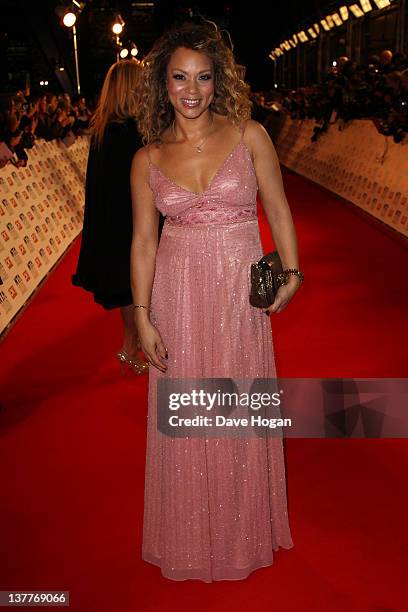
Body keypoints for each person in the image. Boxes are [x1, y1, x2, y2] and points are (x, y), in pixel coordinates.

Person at [130, 22, 302, 581]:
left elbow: (277, 206)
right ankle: (192, 534)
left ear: (218, 81)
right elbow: (143, 242)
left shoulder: (250, 134)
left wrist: (292, 270)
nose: (192, 89)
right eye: (180, 77)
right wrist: (142, 314)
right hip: (177, 295)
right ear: (163, 84)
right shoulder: (147, 157)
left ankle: (243, 528)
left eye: (203, 77)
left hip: (237, 294)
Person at [72, 60, 158, 373]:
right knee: (142, 286)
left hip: (114, 223)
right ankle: (137, 345)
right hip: (137, 220)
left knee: (128, 287)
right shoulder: (135, 133)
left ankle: (129, 346)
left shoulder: (102, 131)